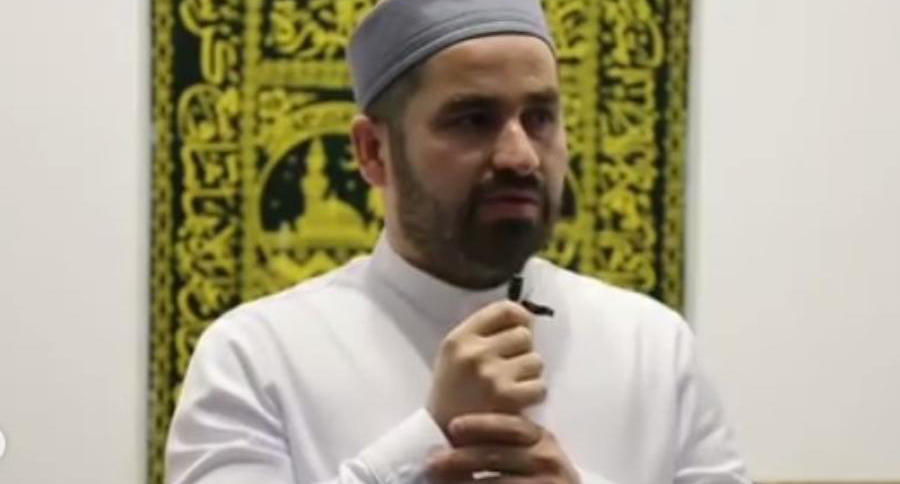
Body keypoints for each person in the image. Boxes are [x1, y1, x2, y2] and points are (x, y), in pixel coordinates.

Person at [165, 0, 750, 483]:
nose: (520, 155)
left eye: (540, 118)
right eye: (473, 120)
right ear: (373, 151)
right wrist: (423, 444)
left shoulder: (653, 348)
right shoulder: (256, 358)